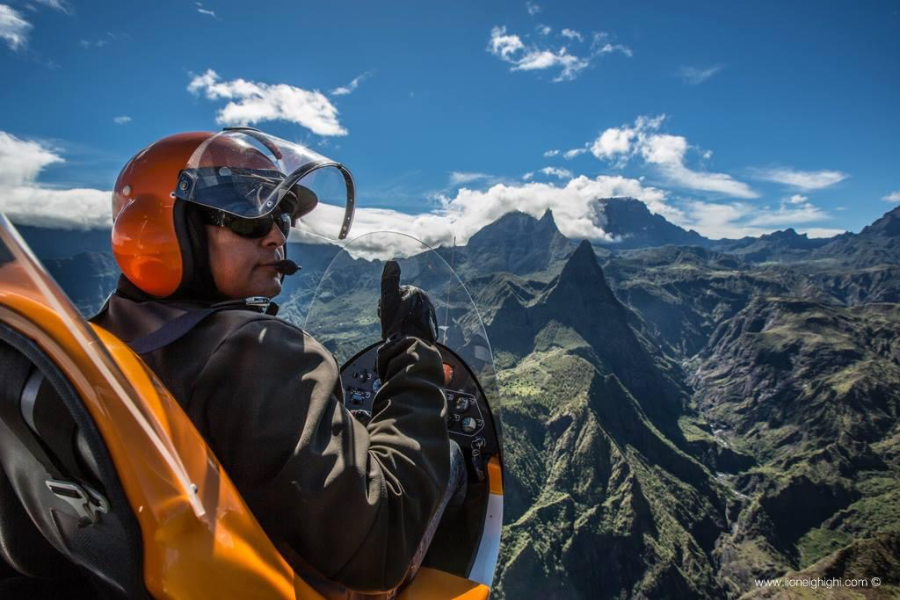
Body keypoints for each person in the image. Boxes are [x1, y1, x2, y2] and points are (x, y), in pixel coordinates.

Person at [91, 130, 454, 595]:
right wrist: (414, 357)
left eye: (281, 213)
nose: (277, 234)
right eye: (247, 214)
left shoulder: (95, 342)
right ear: (165, 226)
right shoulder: (258, 352)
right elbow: (382, 539)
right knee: (459, 464)